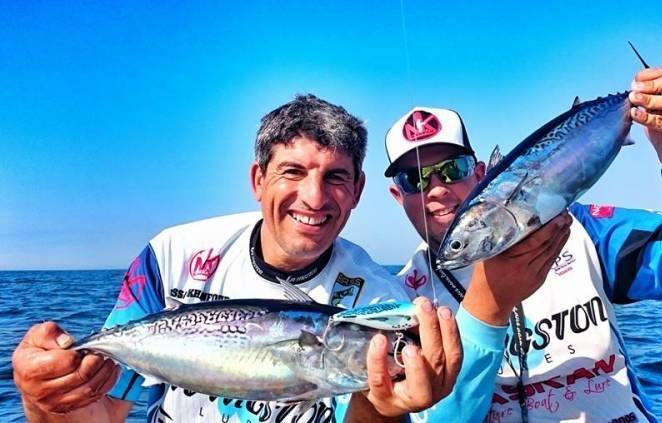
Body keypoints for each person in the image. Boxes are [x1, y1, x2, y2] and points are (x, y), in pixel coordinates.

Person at [12, 94, 464, 423]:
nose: (313, 197)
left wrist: (384, 410)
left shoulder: (380, 301)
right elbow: (103, 413)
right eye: (293, 171)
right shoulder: (171, 256)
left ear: (358, 191)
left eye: (335, 177)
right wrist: (44, 397)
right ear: (258, 179)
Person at [383, 68, 662, 422]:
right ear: (397, 196)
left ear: (482, 174)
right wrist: (487, 310)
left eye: (453, 169)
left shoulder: (577, 229)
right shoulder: (400, 299)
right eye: (413, 179)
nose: (436, 189)